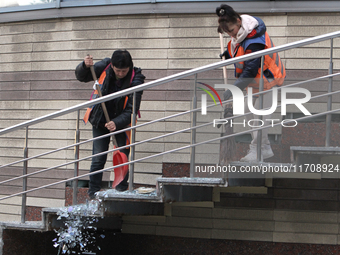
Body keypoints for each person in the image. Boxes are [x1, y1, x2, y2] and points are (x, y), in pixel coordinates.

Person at [216, 4, 286, 162]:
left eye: (232, 31)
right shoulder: (241, 34)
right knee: (250, 112)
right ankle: (265, 148)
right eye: (227, 33)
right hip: (255, 82)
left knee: (259, 116)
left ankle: (257, 150)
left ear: (239, 22)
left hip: (268, 80)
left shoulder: (254, 38)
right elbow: (240, 49)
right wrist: (228, 54)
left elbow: (250, 70)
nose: (231, 35)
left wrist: (234, 89)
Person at [75, 50, 145, 199]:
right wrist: (84, 66)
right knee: (98, 157)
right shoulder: (105, 66)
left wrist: (117, 122)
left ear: (130, 67)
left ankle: (120, 190)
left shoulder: (136, 78)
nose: (120, 73)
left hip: (122, 121)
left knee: (122, 156)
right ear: (112, 66)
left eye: (124, 71)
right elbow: (82, 76)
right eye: (117, 70)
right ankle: (93, 192)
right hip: (100, 119)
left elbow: (132, 109)